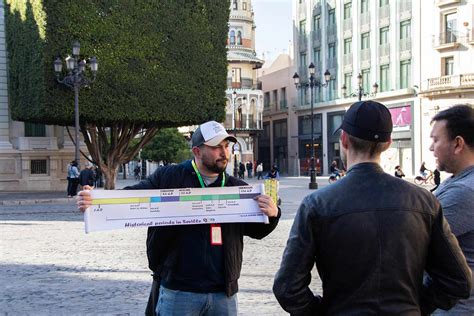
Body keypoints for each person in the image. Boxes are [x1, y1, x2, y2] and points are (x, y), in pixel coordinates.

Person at [273, 100, 471, 315]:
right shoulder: (423, 201)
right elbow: (457, 280)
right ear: (388, 144)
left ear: (344, 140)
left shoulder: (317, 204)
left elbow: (287, 287)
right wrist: (415, 306)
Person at [77, 120, 280, 316]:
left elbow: (257, 230)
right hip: (179, 291)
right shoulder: (168, 177)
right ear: (197, 151)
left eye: (226, 146)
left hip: (223, 294)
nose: (224, 152)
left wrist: (272, 214)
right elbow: (131, 199)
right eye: (216, 147)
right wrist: (96, 201)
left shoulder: (238, 188)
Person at [429, 104, 474, 314]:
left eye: (436, 140)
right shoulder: (458, 181)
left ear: (458, 144)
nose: (431, 148)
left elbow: (411, 236)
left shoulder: (464, 192)